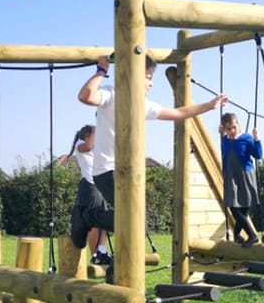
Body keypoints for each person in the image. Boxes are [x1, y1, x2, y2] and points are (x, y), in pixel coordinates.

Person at [71, 55, 228, 249]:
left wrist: (210, 105)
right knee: (133, 222)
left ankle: (98, 233)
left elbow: (179, 113)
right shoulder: (112, 94)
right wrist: (101, 71)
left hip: (128, 172)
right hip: (106, 170)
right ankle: (85, 217)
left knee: (140, 225)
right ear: (135, 76)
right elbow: (85, 96)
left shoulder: (144, 105)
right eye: (148, 77)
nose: (151, 83)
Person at [219, 112, 263, 248]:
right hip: (231, 176)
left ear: (238, 125)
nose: (232, 131)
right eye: (229, 129)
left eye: (234, 127)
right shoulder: (225, 140)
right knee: (233, 207)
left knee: (244, 209)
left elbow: (258, 155)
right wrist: (222, 134)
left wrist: (257, 139)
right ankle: (248, 235)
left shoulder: (246, 138)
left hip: (245, 174)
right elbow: (225, 156)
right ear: (224, 129)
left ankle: (242, 234)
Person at [69, 125, 111, 265]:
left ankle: (101, 250)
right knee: (93, 223)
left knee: (104, 220)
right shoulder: (81, 144)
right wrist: (95, 130)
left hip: (100, 185)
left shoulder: (95, 148)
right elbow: (88, 147)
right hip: (90, 187)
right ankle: (94, 255)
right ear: (87, 135)